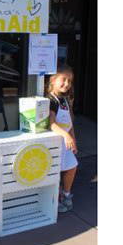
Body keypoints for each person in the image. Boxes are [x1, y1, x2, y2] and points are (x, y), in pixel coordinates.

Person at [46, 65, 78, 213]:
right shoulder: (50, 100)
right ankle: (55, 198)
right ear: (53, 80)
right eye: (63, 79)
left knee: (72, 166)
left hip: (66, 142)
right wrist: (65, 135)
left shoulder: (65, 100)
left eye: (69, 81)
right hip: (55, 143)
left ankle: (66, 194)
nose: (67, 83)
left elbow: (70, 123)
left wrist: (73, 139)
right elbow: (51, 123)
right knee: (55, 171)